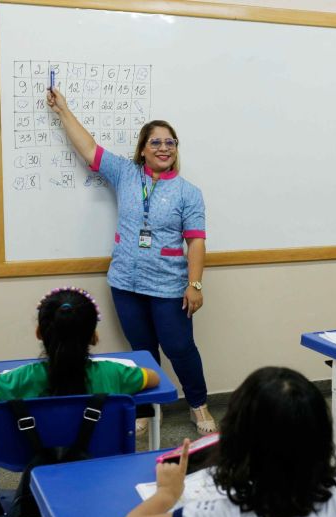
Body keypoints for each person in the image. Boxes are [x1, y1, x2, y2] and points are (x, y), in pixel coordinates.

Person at [47, 88, 216, 435]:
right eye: (156, 142)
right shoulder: (125, 174)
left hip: (169, 285)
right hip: (125, 282)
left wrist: (194, 284)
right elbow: (88, 148)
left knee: (180, 348)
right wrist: (62, 109)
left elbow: (196, 242)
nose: (164, 148)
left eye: (171, 142)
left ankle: (199, 406)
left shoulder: (188, 192)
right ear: (142, 149)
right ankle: (145, 408)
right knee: (141, 352)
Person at [120, 366, 336, 517]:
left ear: (233, 440)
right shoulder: (335, 497)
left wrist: (167, 493)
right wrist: (314, 476)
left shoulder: (216, 516)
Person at [0, 287, 159, 400]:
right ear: (94, 336)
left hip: (42, 464)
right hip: (101, 461)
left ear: (39, 333)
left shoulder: (21, 379)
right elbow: (154, 378)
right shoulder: (114, 373)